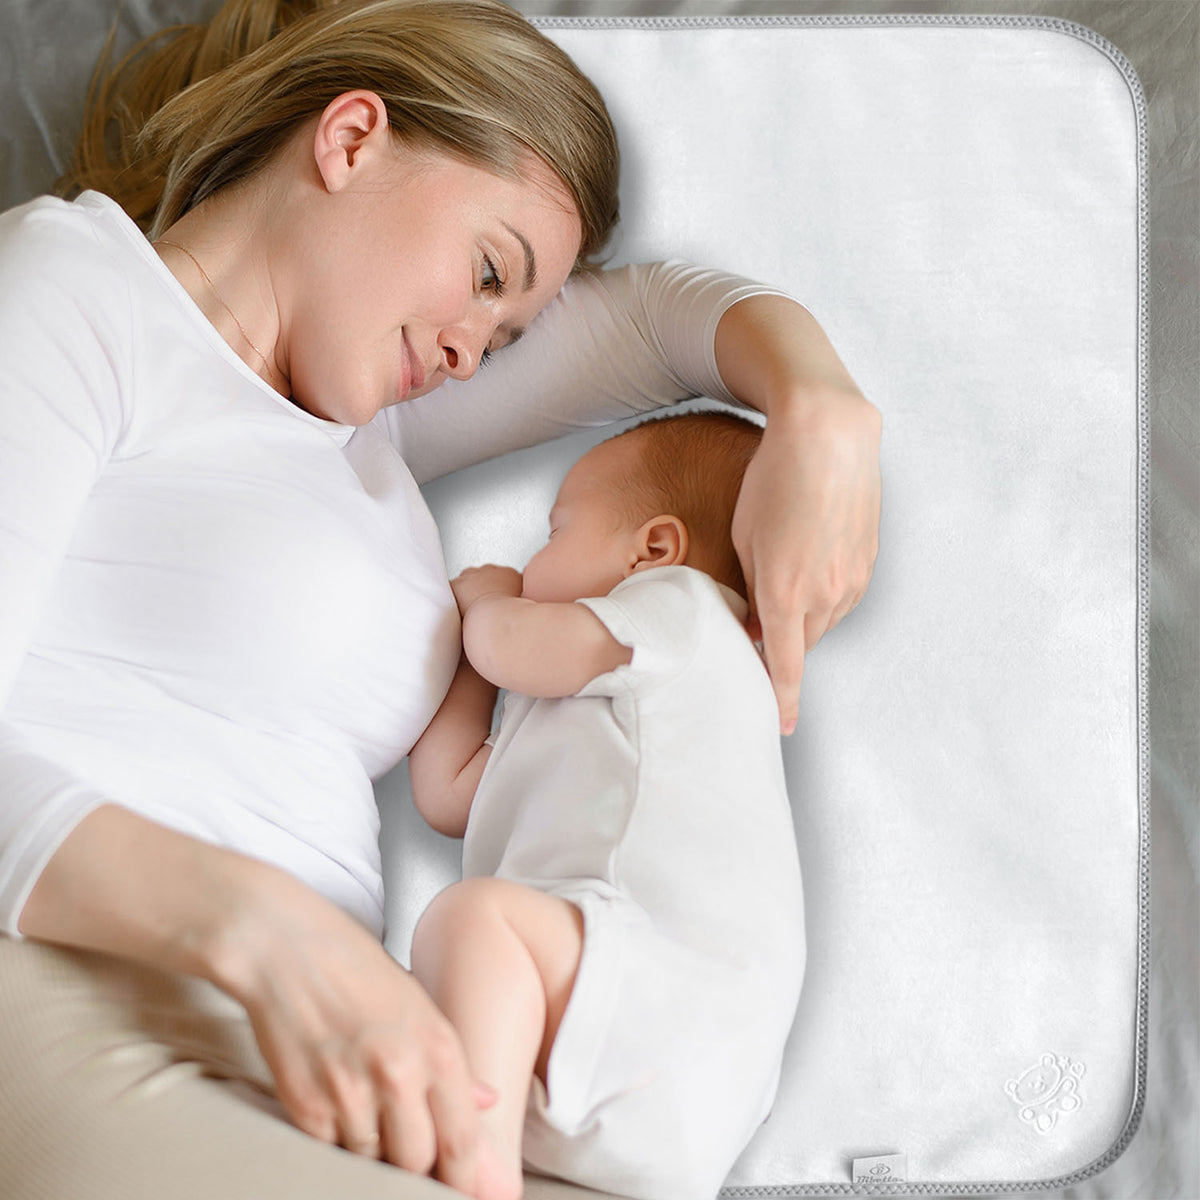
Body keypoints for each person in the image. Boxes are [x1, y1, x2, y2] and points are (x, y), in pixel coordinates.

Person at [0, 1, 879, 1197]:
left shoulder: (371, 433)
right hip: (74, 988)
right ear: (352, 139)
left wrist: (824, 409)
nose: (473, 350)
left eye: (507, 334)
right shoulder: (80, 288)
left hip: (326, 1063)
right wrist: (262, 930)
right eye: (486, 274)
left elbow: (663, 320)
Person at [408, 411, 807, 1200]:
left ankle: (465, 1168)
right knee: (439, 972)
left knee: (469, 922)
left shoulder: (686, 612)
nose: (532, 559)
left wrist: (486, 606)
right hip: (636, 1083)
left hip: (670, 997)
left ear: (653, 549)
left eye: (555, 530)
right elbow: (447, 792)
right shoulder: (594, 696)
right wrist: (471, 667)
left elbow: (511, 643)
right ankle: (483, 1146)